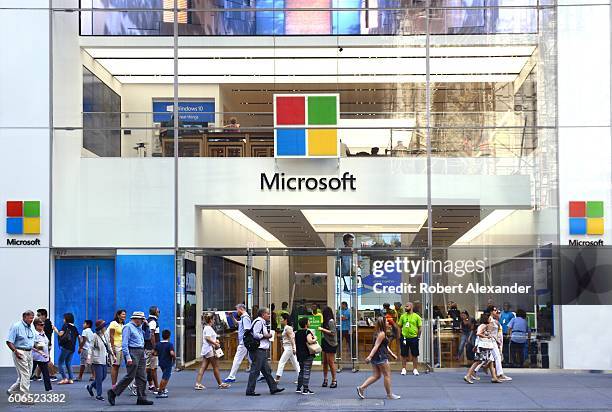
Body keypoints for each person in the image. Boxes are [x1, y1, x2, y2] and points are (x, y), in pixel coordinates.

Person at [107, 311, 153, 406]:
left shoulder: (139, 327)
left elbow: (147, 337)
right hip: (133, 352)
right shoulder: (128, 327)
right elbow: (124, 344)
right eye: (142, 319)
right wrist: (128, 357)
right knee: (130, 376)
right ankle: (113, 392)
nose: (143, 321)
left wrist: (147, 326)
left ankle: (142, 398)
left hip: (141, 352)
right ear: (136, 319)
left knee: (142, 377)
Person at [356, 317, 400, 400]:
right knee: (387, 375)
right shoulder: (382, 334)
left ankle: (361, 388)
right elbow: (376, 346)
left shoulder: (379, 333)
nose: (388, 323)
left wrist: (392, 354)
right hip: (381, 357)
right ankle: (389, 395)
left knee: (377, 375)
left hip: (377, 356)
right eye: (386, 321)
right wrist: (370, 356)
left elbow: (384, 346)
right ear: (383, 324)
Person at [245, 307, 284, 396]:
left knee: (266, 370)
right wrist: (266, 336)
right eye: (268, 313)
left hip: (260, 350)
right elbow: (256, 334)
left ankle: (273, 388)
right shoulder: (259, 322)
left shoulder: (260, 322)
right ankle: (250, 390)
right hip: (258, 350)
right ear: (263, 314)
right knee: (255, 370)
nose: (269, 315)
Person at [6, 310, 36, 403]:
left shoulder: (31, 327)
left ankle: (12, 391)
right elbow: (9, 341)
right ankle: (25, 397)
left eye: (32, 318)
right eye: (30, 318)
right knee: (26, 375)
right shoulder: (16, 326)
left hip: (29, 352)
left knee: (27, 375)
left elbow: (31, 340)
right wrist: (15, 351)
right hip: (19, 351)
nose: (32, 320)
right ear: (24, 317)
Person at [195, 313, 230, 390]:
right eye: (213, 319)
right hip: (210, 350)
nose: (214, 321)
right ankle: (220, 383)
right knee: (216, 367)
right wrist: (215, 343)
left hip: (207, 349)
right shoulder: (208, 328)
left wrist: (215, 341)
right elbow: (207, 338)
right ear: (210, 320)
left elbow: (208, 338)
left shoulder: (207, 328)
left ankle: (198, 383)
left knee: (203, 367)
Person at [464, 313, 502, 384]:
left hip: (485, 346)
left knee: (489, 361)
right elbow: (478, 334)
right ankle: (468, 375)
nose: (490, 319)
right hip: (483, 346)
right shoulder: (483, 326)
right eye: (489, 318)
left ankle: (494, 377)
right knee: (478, 361)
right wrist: (486, 337)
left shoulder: (485, 326)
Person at [223, 303, 252, 383]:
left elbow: (247, 329)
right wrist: (232, 316)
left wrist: (244, 341)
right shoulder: (244, 317)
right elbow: (236, 323)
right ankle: (262, 374)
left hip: (244, 342)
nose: (237, 311)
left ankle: (231, 376)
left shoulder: (245, 318)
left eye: (237, 310)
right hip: (245, 342)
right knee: (252, 359)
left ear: (240, 309)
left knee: (237, 359)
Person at [87, 320, 114, 401]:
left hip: (104, 358)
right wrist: (89, 357)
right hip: (97, 359)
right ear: (101, 328)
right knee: (99, 378)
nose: (105, 327)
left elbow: (108, 346)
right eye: (104, 326)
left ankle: (91, 387)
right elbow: (91, 347)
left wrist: (113, 355)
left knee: (104, 376)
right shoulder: (94, 336)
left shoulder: (105, 335)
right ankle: (99, 395)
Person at [53, 312, 79, 384]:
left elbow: (60, 334)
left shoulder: (65, 325)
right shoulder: (74, 327)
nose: (63, 320)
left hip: (66, 347)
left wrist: (55, 329)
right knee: (68, 363)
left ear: (67, 319)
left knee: (60, 363)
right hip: (72, 348)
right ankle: (71, 379)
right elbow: (79, 337)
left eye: (64, 318)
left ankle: (64, 378)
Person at [397, 302, 422, 376]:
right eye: (405, 306)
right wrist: (399, 335)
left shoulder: (416, 316)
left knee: (415, 354)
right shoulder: (403, 316)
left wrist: (418, 336)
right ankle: (404, 369)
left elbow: (420, 327)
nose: (405, 308)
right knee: (404, 354)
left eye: (407, 306)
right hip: (404, 337)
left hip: (414, 338)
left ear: (411, 307)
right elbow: (399, 326)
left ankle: (415, 369)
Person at [275, 313, 299, 383]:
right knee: (295, 363)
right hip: (288, 347)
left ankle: (277, 378)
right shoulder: (287, 327)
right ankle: (300, 378)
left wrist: (294, 348)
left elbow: (292, 338)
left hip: (289, 348)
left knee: (281, 362)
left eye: (282, 319)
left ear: (285, 320)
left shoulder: (287, 328)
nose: (281, 320)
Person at [34, 308, 57, 382]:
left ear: (44, 316)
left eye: (39, 315)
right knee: (40, 359)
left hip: (44, 344)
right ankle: (37, 376)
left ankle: (52, 375)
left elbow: (42, 333)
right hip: (43, 343)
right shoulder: (47, 323)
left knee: (46, 360)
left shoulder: (46, 324)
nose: (37, 317)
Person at [295, 317, 317, 395]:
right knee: (307, 371)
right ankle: (305, 389)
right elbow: (310, 341)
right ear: (306, 324)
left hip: (299, 354)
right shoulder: (307, 332)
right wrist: (315, 339)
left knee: (302, 370)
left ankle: (298, 388)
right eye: (308, 321)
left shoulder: (297, 332)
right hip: (307, 354)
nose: (309, 322)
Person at [490, 307, 512, 381]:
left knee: (491, 358)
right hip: (493, 341)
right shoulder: (491, 320)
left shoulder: (496, 320)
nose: (497, 312)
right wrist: (496, 340)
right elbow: (489, 331)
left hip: (496, 341)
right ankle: (499, 374)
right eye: (495, 310)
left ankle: (473, 372)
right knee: (496, 357)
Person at [319, 306, 338, 388]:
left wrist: (322, 330)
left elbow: (333, 333)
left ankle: (334, 380)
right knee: (325, 362)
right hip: (325, 341)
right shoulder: (326, 321)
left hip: (331, 343)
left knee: (331, 362)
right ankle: (325, 379)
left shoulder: (331, 321)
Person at [32, 317, 52, 392]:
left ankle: (49, 389)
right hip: (35, 357)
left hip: (43, 358)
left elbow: (46, 345)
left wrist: (48, 355)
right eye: (40, 325)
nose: (42, 326)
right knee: (28, 375)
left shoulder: (43, 333)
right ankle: (21, 388)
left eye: (43, 324)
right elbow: (33, 345)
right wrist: (41, 350)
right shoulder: (34, 334)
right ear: (36, 325)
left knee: (46, 374)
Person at [153, 329, 175, 398]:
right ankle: (160, 391)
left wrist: (159, 354)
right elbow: (172, 353)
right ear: (169, 336)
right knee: (165, 377)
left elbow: (154, 353)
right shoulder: (169, 344)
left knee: (166, 376)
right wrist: (174, 358)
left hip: (161, 363)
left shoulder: (158, 344)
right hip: (168, 363)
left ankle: (163, 388)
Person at [109, 309, 127, 387]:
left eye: (125, 314)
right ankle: (113, 384)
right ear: (118, 315)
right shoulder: (113, 323)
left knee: (118, 366)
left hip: (121, 346)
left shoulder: (122, 324)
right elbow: (111, 336)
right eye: (123, 314)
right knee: (115, 365)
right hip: (116, 346)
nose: (124, 316)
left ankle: (115, 383)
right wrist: (112, 347)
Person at [144, 306, 160, 393]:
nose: (159, 313)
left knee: (149, 367)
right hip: (151, 348)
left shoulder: (149, 320)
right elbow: (152, 335)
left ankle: (151, 385)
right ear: (155, 312)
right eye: (158, 311)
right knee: (153, 368)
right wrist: (155, 348)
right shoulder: (153, 322)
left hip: (148, 347)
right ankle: (157, 388)